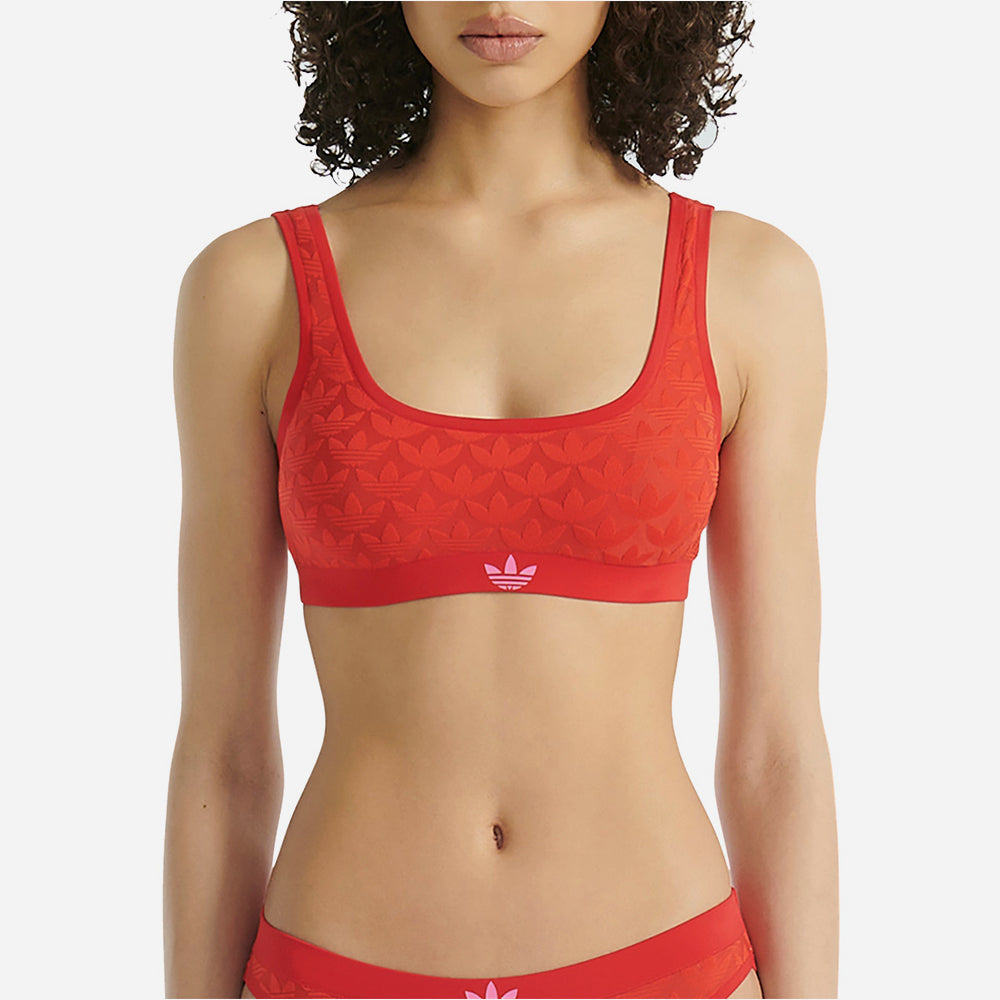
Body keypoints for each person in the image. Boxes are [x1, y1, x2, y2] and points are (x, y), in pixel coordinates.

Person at [164, 3, 838, 997]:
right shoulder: (251, 287)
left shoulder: (750, 285)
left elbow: (776, 747)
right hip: (334, 968)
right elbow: (223, 752)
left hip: (667, 964)